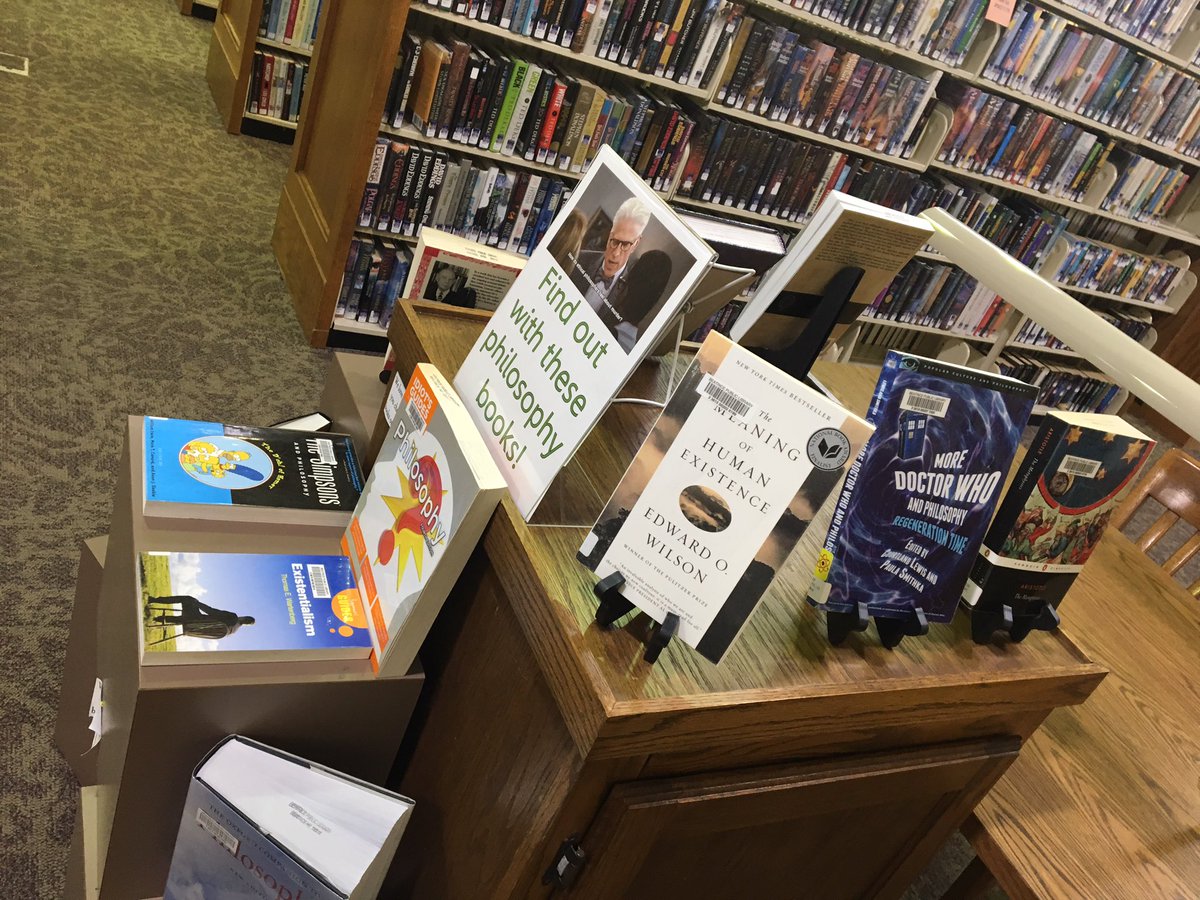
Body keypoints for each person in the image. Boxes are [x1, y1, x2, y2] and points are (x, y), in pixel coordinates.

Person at [570, 197, 652, 318]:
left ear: (636, 244)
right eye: (614, 241)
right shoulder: (579, 258)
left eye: (625, 244)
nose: (616, 253)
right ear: (610, 234)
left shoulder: (630, 294)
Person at [146, 595, 255, 641]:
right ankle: (157, 619)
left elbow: (212, 612)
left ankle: (153, 600)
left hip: (195, 619)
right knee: (187, 619)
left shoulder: (233, 617)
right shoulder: (232, 632)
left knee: (188, 599)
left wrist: (197, 603)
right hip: (192, 628)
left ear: (244, 617)